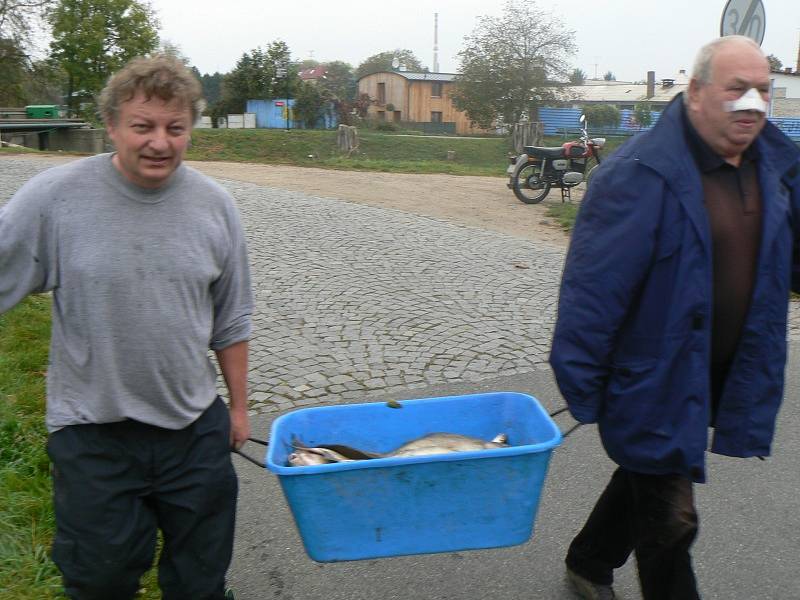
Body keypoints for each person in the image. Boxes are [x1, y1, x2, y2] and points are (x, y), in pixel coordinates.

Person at [550, 35, 800, 600]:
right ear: (694, 93)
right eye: (737, 89)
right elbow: (593, 292)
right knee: (671, 521)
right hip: (652, 376)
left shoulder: (778, 165)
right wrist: (584, 384)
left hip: (724, 368)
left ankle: (589, 560)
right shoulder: (638, 174)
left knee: (651, 469)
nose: (753, 104)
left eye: (762, 90)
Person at [0, 55, 253, 599]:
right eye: (143, 127)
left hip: (193, 430)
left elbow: (232, 317)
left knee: (201, 582)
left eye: (174, 128)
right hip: (94, 431)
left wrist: (237, 408)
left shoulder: (216, 206)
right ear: (112, 126)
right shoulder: (55, 199)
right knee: (100, 580)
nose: (159, 142)